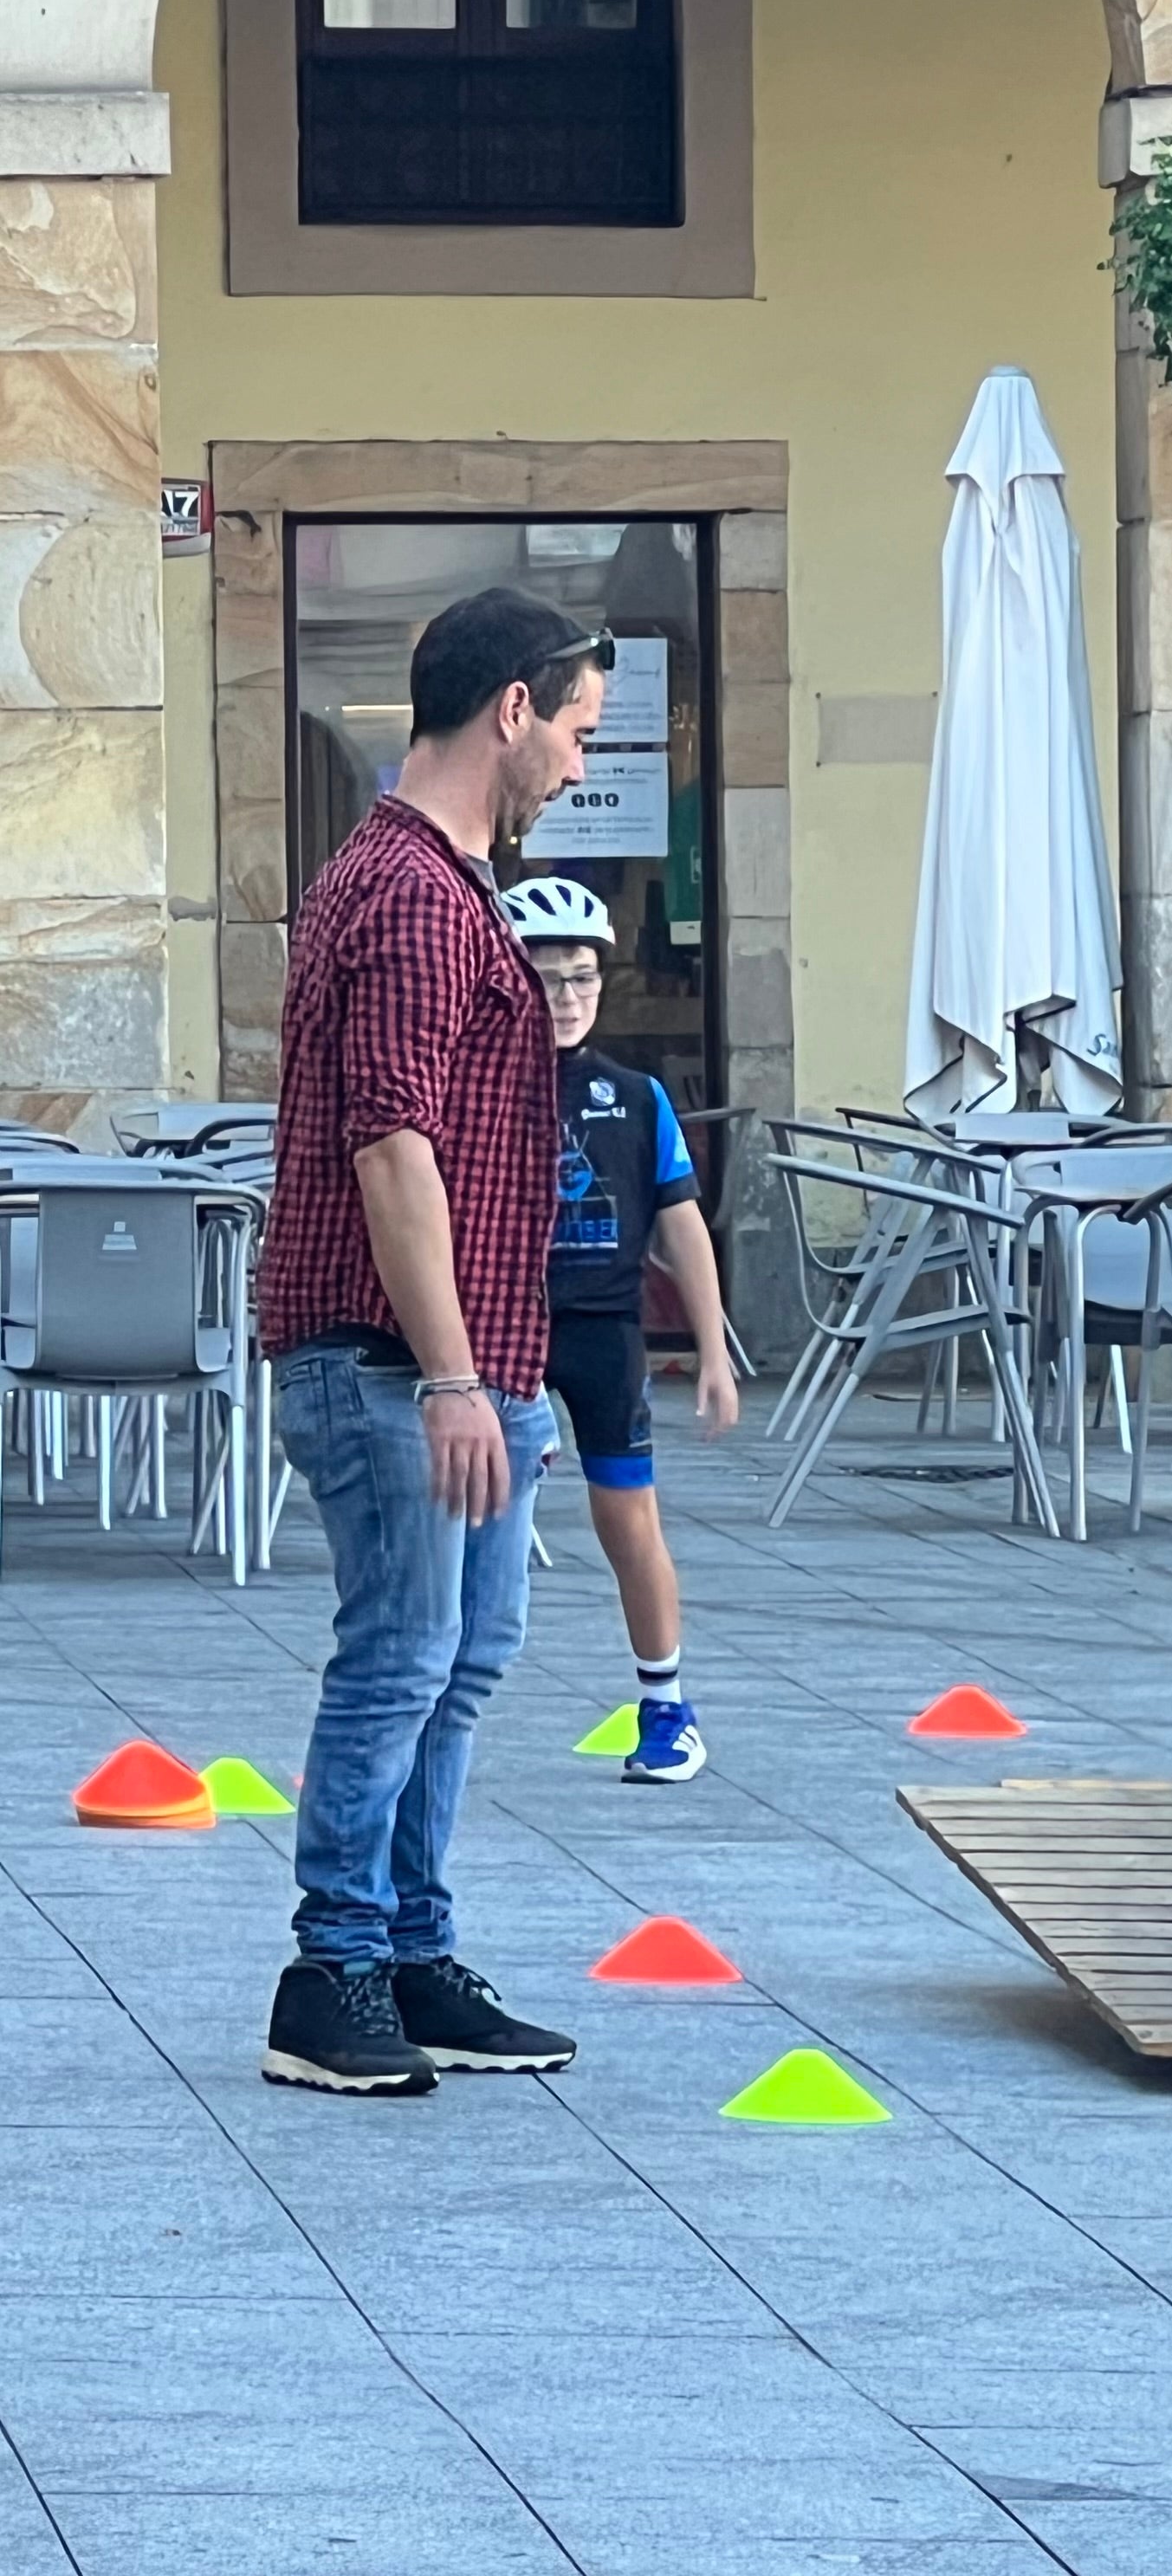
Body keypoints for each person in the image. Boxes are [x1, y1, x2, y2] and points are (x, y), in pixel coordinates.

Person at [254, 588, 612, 2097]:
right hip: (388, 1354)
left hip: (452, 1356)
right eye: (580, 731)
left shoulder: (435, 881)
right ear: (512, 708)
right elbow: (390, 1140)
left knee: (462, 1655)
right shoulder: (407, 890)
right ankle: (329, 1966)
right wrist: (457, 1373)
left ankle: (404, 1944)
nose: (582, 769)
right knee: (399, 1655)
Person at [500, 875, 741, 1787]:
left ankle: (668, 1705)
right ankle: (435, 1699)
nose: (564, 999)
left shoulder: (635, 1096)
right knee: (476, 1521)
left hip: (603, 1328)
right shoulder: (472, 1084)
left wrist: (714, 1353)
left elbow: (682, 1223)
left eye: (581, 980)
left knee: (626, 1521)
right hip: (504, 1325)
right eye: (545, 978)